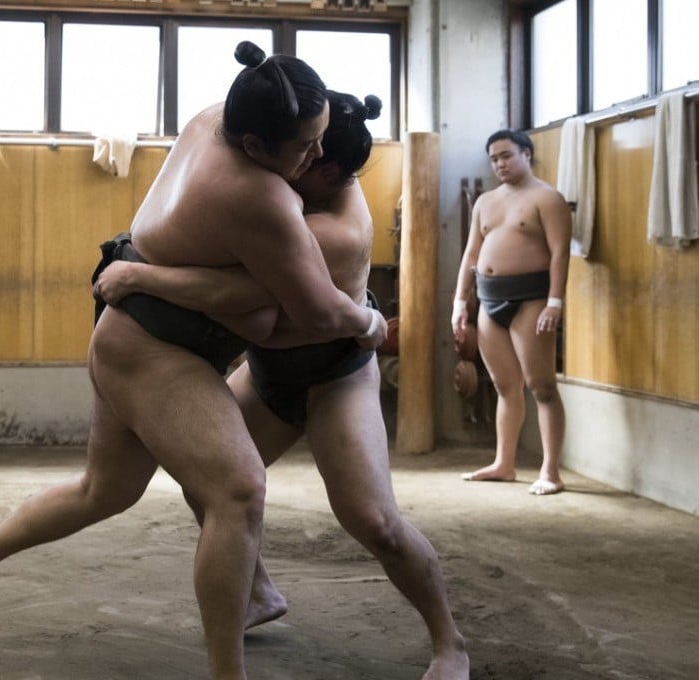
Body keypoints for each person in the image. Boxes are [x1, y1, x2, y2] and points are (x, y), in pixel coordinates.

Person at [0, 43, 384, 680]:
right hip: (154, 348)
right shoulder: (260, 199)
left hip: (132, 331)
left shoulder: (212, 115)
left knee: (102, 491)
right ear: (255, 144)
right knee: (238, 489)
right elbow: (320, 313)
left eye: (320, 138)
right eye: (303, 148)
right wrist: (372, 320)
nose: (315, 159)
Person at [94, 91, 469, 680]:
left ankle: (450, 643)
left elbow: (237, 296)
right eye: (299, 145)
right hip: (269, 372)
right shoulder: (287, 188)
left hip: (334, 376)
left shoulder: (330, 231)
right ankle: (261, 594)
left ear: (328, 172)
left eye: (310, 154)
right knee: (213, 483)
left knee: (374, 521)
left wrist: (139, 273)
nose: (299, 159)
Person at [451, 129, 571, 495]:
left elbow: (559, 253)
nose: (499, 163)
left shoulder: (548, 199)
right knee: (506, 387)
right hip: (489, 300)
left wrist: (555, 302)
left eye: (506, 155)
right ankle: (504, 464)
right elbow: (471, 255)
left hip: (531, 300)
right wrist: (460, 302)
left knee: (542, 387)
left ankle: (550, 472)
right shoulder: (485, 202)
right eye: (493, 158)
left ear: (526, 154)